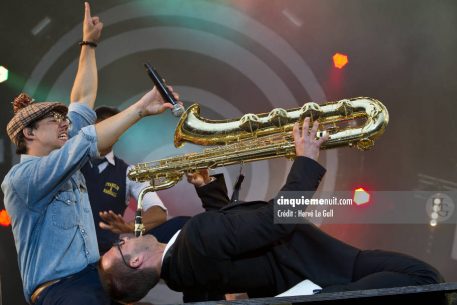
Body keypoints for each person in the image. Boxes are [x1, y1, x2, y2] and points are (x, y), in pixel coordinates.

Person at [99, 118, 444, 304]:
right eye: (120, 248)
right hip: (323, 270)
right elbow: (275, 222)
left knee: (424, 283)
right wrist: (305, 159)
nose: (125, 238)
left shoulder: (183, 271)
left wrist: (207, 188)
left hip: (324, 262)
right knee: (424, 279)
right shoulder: (194, 242)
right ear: (137, 263)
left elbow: (234, 239)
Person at [1, 3, 179, 304]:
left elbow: (82, 100)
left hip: (95, 277)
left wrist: (89, 43)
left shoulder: (65, 151)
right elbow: (87, 138)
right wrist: (140, 109)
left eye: (63, 118)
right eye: (53, 120)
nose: (63, 123)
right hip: (63, 291)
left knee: (181, 231)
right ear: (29, 133)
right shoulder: (22, 179)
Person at [81, 106, 167, 255]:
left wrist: (130, 226)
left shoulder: (130, 173)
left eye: (113, 128)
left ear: (120, 133)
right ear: (91, 130)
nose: (108, 132)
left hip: (101, 261)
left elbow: (159, 212)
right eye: (102, 127)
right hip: (59, 257)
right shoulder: (69, 162)